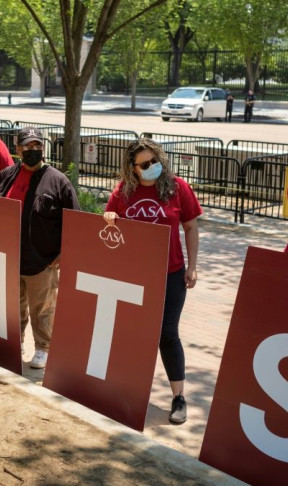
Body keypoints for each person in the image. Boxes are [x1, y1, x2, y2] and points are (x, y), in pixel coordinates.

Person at [102, 138, 201, 425]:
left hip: (170, 273)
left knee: (167, 334)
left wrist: (192, 267)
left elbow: (191, 227)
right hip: (135, 276)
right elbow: (109, 226)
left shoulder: (177, 187)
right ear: (132, 169)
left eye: (155, 160)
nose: (152, 167)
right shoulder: (122, 192)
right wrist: (108, 217)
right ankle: (127, 391)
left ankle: (179, 397)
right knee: (133, 332)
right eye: (144, 164)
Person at [0, 127, 79, 369]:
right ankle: (16, 342)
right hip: (9, 256)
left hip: (42, 260)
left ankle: (43, 348)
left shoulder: (58, 181)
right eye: (27, 146)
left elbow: (75, 221)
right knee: (13, 305)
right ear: (18, 148)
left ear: (43, 147)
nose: (33, 150)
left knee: (42, 309)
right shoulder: (7, 175)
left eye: (37, 145)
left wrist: (64, 253)